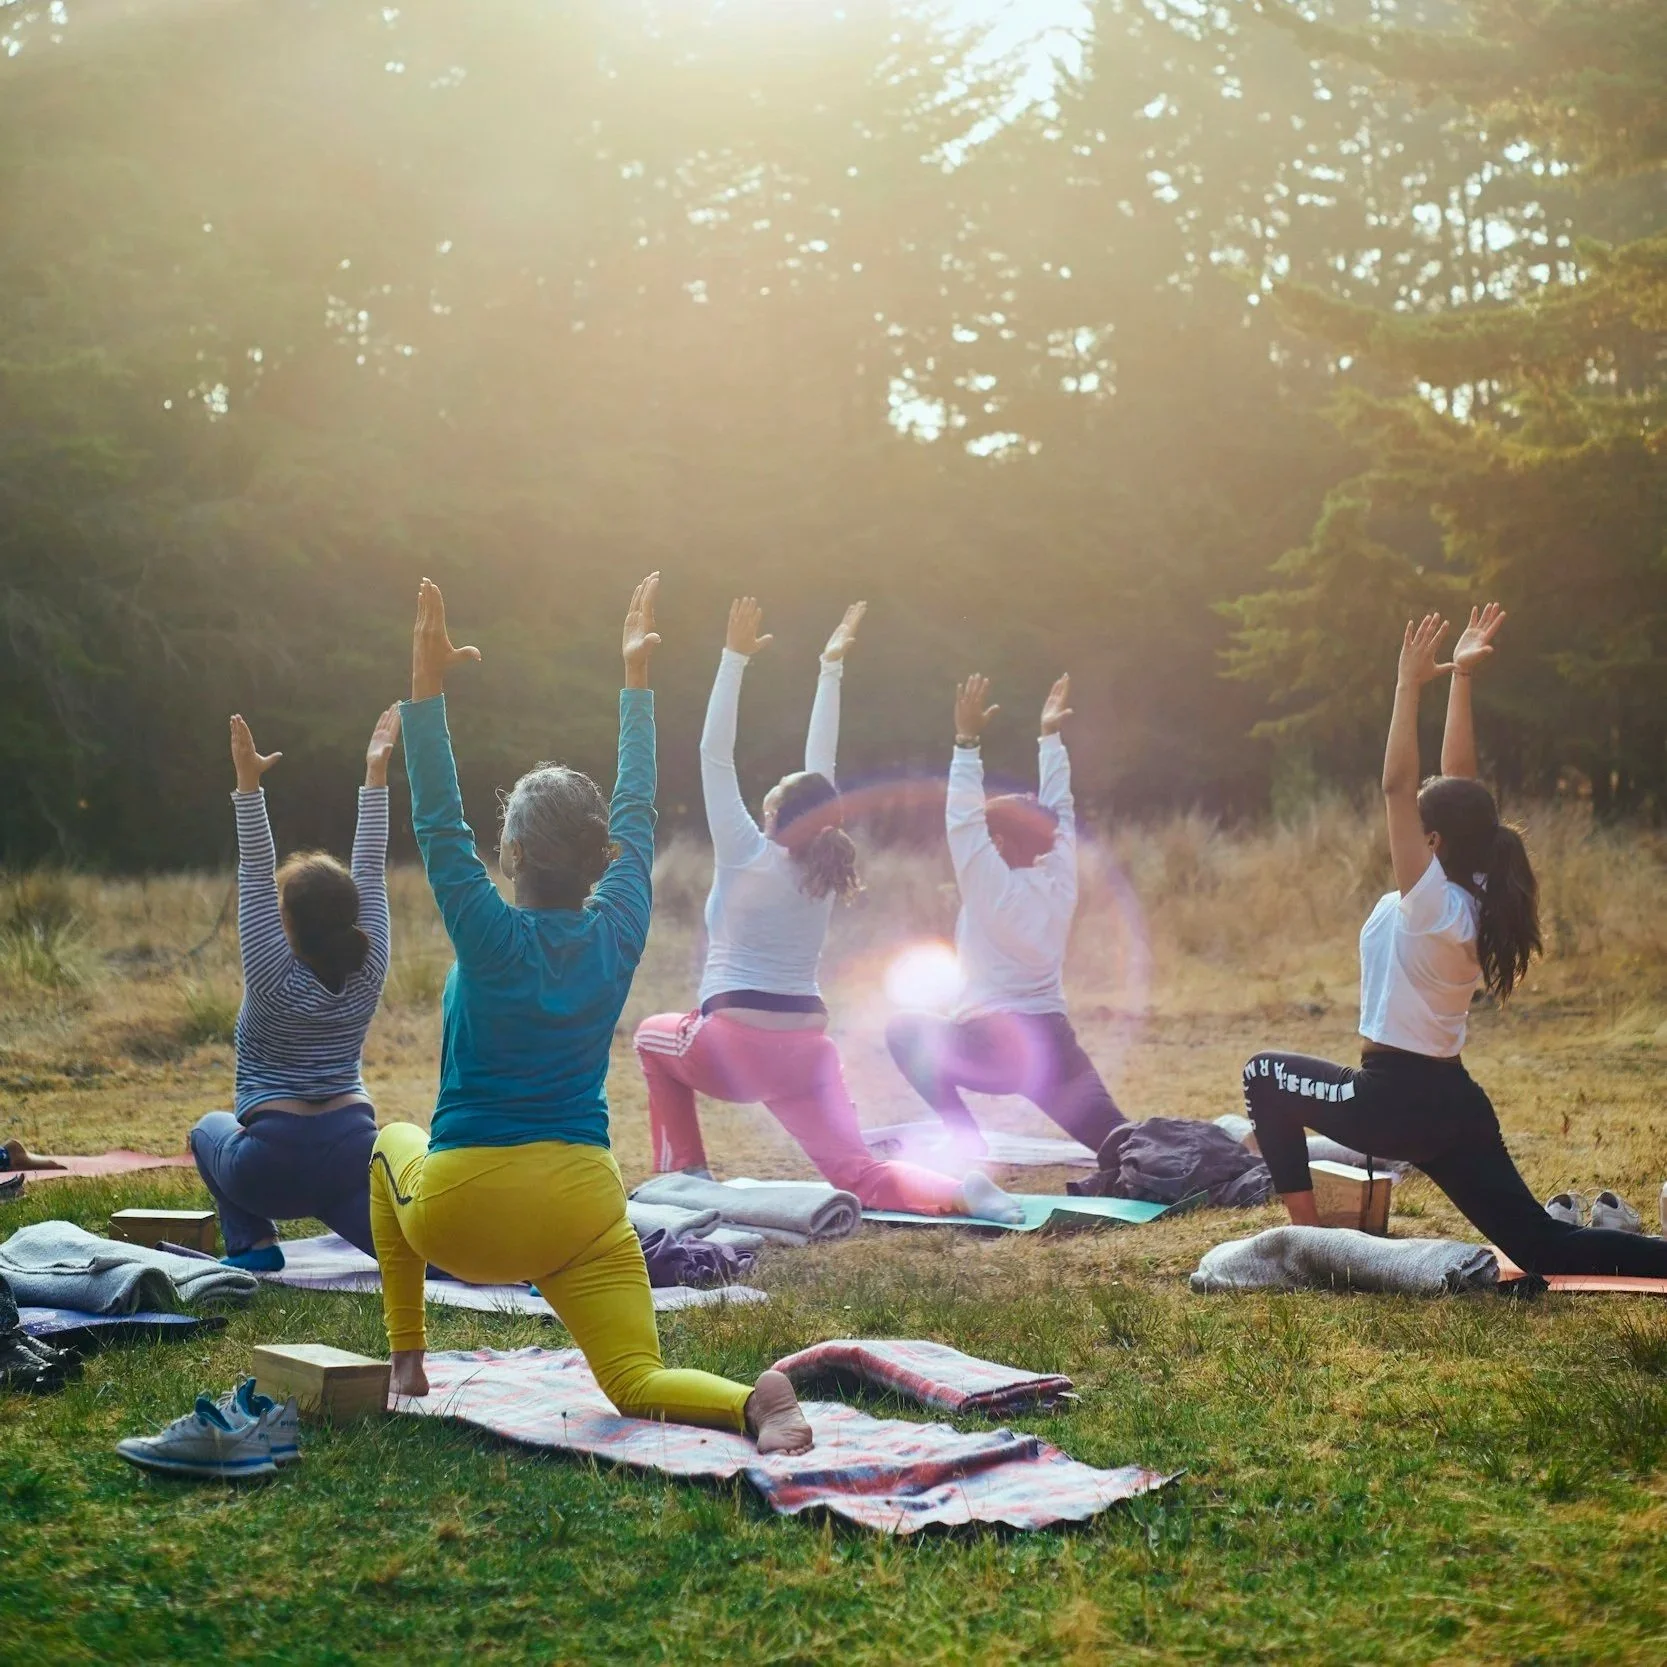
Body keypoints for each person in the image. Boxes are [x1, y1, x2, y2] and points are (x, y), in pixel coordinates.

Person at [370, 575, 812, 1454]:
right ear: (599, 853)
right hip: (582, 1206)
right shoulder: (618, 930)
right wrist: (636, 686)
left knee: (388, 1137)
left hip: (464, 1215)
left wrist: (425, 689)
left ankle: (406, 1359)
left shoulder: (487, 931)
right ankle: (752, 1401)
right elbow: (639, 813)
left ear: (516, 852)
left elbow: (436, 819)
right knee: (632, 1380)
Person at [1242, 605, 1667, 1278]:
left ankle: (1314, 1245)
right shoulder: (1467, 887)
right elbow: (1457, 780)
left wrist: (1407, 686)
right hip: (1450, 1103)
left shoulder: (1432, 904)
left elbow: (1394, 785)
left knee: (1261, 1075)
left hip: (1390, 1102)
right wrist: (1461, 679)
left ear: (1431, 839)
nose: (1406, 826)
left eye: (1418, 824)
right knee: (1542, 1246)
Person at [634, 598, 1021, 1223]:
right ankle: (963, 1191)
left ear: (772, 813)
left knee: (650, 1038)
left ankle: (686, 1174)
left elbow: (714, 753)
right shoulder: (820, 867)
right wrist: (830, 668)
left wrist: (733, 658)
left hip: (731, 1046)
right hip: (808, 1051)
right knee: (857, 1171)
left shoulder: (746, 852)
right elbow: (823, 769)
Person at [188, 704, 400, 1272]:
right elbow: (371, 867)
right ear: (353, 914)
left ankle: (255, 1245)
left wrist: (248, 785)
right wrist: (375, 775)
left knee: (206, 1129)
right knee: (414, 1255)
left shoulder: (269, 972)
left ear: (286, 923)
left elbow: (255, 870)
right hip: (354, 1154)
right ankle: (483, 1258)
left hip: (270, 1167)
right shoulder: (371, 960)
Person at [886, 672, 1129, 1158]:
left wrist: (966, 741)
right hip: (1055, 1049)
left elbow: (961, 821)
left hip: (991, 1050)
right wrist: (1050, 739)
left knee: (903, 1030)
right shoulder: (1060, 880)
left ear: (997, 842)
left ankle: (965, 1141)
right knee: (1125, 1144)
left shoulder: (988, 887)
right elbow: (1061, 808)